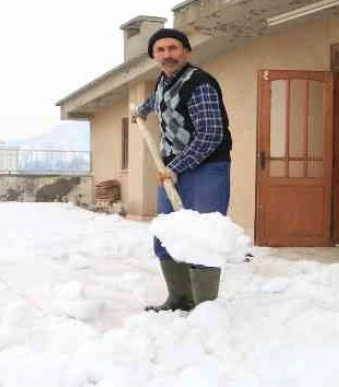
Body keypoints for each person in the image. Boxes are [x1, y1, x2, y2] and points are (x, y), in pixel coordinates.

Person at [134, 28, 232, 312]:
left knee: (204, 237)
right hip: (173, 169)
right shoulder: (162, 83)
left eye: (173, 48)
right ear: (154, 56)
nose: (167, 55)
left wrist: (174, 167)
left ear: (186, 52)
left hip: (207, 168)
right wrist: (141, 110)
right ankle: (179, 298)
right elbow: (157, 101)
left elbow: (210, 134)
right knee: (166, 233)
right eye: (161, 50)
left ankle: (204, 307)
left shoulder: (199, 83)